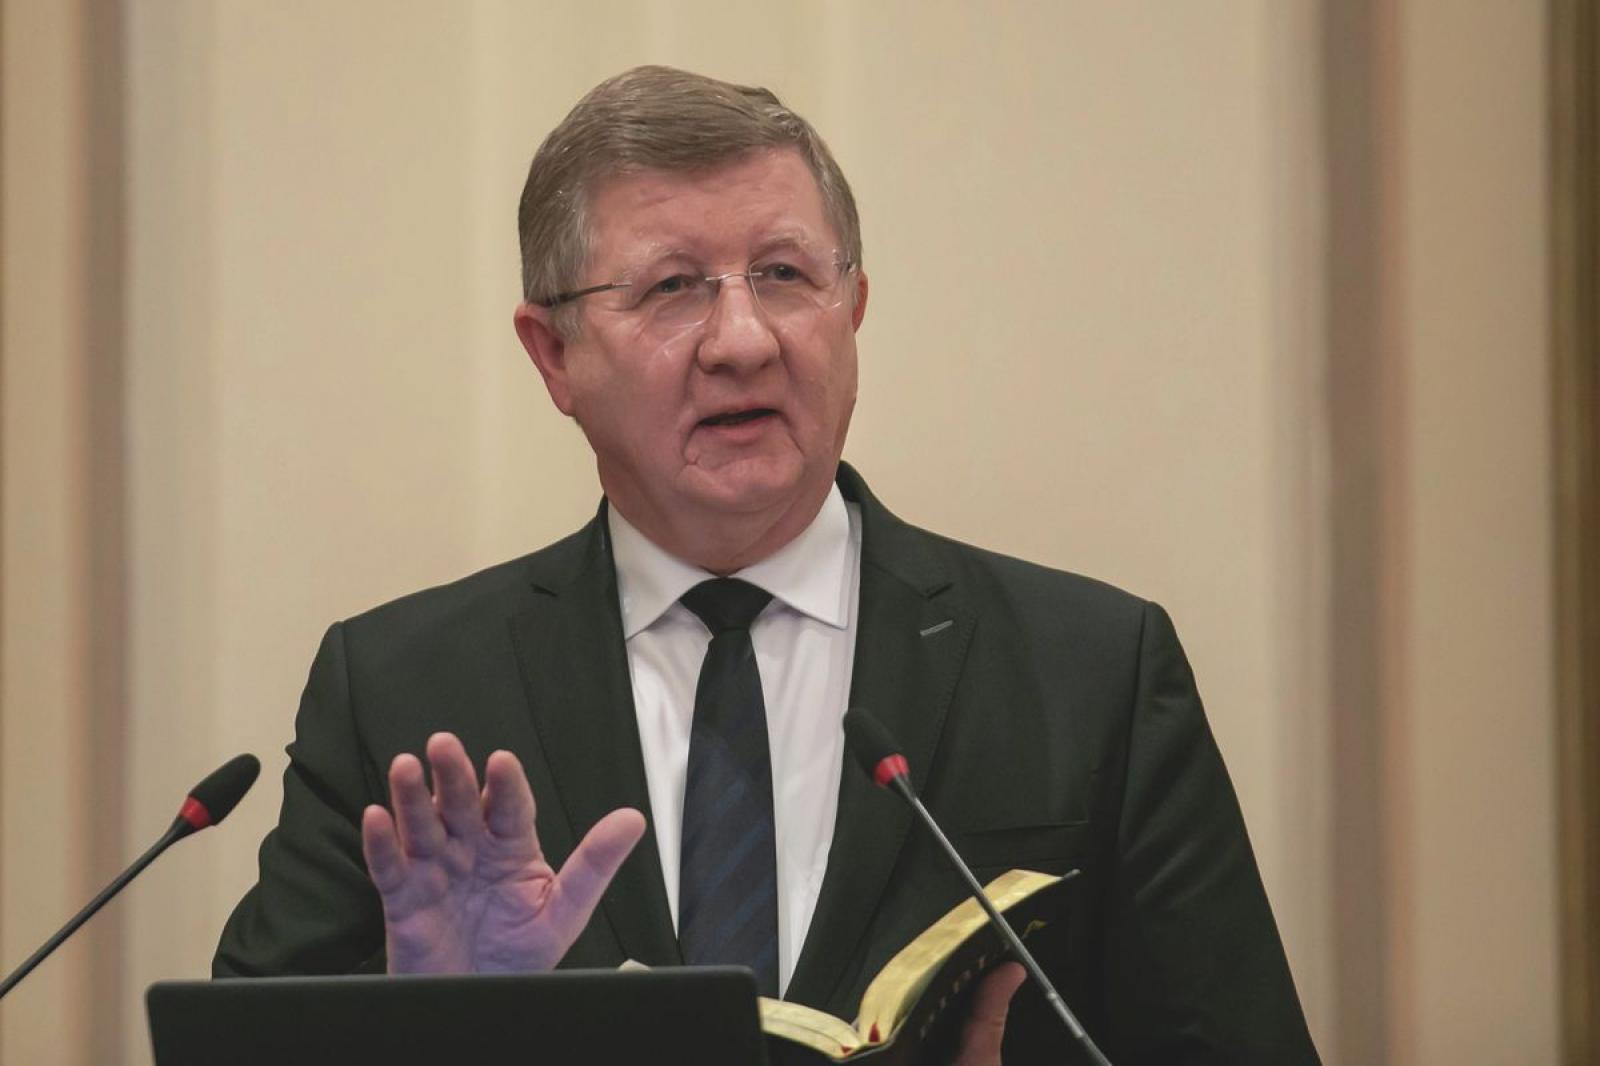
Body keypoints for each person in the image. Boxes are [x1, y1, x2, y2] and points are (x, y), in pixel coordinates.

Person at [214, 66, 1320, 1064]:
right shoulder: (403, 692)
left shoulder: (1090, 672)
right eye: (672, 287)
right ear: (554, 355)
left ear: (853, 312)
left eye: (784, 274)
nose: (742, 340)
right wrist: (431, 1039)